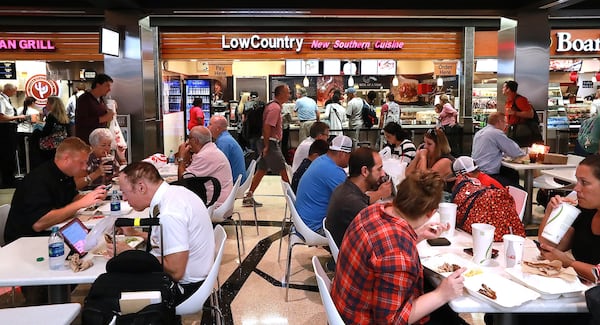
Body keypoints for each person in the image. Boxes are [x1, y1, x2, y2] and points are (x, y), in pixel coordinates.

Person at [330, 170, 466, 324]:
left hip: (344, 309)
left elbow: (382, 252)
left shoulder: (371, 211)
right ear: (431, 213)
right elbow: (392, 321)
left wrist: (418, 235)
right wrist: (442, 294)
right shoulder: (398, 255)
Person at [510, 155, 600, 325]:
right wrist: (552, 212)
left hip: (592, 306)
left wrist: (567, 262)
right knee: (514, 312)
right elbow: (548, 246)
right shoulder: (585, 212)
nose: (577, 188)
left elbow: (598, 273)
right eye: (577, 181)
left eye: (584, 183)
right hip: (577, 293)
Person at [112, 161, 215, 305]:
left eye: (124, 192)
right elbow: (169, 241)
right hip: (198, 278)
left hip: (185, 289)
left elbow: (175, 271)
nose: (123, 198)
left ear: (141, 187)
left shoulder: (169, 212)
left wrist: (131, 255)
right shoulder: (175, 193)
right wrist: (136, 233)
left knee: (112, 287)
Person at [4, 137, 107, 244]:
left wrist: (94, 196)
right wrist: (80, 203)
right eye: (82, 162)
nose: (85, 167)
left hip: (56, 232)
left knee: (97, 241)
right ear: (66, 159)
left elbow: (72, 198)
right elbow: (38, 224)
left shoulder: (65, 175)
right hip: (26, 240)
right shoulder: (39, 179)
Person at [325, 147, 392, 247]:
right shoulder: (351, 202)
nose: (383, 174)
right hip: (349, 257)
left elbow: (365, 200)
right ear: (365, 171)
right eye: (379, 169)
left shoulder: (345, 188)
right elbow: (384, 233)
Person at [243, 85, 291, 207]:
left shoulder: (272, 106)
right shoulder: (275, 108)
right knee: (283, 169)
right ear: (280, 94)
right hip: (270, 142)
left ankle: (249, 195)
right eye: (287, 92)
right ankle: (292, 197)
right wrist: (267, 146)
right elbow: (267, 126)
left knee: (261, 170)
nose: (289, 95)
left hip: (266, 141)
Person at [295, 135, 352, 234]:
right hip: (315, 227)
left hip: (303, 222)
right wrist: (379, 193)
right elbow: (352, 199)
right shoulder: (333, 170)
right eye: (349, 155)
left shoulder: (321, 160)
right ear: (343, 154)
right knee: (358, 227)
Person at [177, 126, 233, 206]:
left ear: (195, 141)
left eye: (189, 139)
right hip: (221, 199)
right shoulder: (211, 150)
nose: (187, 142)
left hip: (215, 204)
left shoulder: (205, 155)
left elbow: (183, 181)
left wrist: (181, 158)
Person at [472, 112, 526, 187]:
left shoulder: (479, 132)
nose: (506, 125)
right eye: (505, 122)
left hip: (477, 171)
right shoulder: (496, 133)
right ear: (500, 122)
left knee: (511, 172)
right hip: (489, 174)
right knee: (518, 189)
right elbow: (515, 152)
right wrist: (527, 152)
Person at [406, 128, 455, 192]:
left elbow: (425, 182)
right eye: (424, 143)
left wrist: (423, 157)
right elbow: (408, 174)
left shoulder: (445, 161)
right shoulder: (429, 157)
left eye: (429, 144)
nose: (425, 147)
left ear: (439, 146)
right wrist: (417, 157)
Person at [75, 73, 115, 144]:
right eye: (107, 86)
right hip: (87, 142)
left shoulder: (101, 100)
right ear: (98, 85)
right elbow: (81, 121)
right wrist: (103, 118)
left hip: (100, 141)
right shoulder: (84, 99)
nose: (109, 89)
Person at [208, 115, 247, 184]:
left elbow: (217, 166)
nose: (208, 127)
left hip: (233, 183)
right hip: (237, 181)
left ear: (217, 128)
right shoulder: (226, 138)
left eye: (210, 124)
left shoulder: (223, 142)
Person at [0, 83, 25, 188]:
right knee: (7, 155)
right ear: (8, 90)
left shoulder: (6, 99)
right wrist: (17, 117)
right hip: (5, 130)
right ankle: (7, 180)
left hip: (10, 129)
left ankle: (10, 178)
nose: (15, 93)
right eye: (14, 91)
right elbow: (1, 117)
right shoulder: (1, 99)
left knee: (11, 154)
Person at [503, 80, 541, 148]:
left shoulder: (520, 100)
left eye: (504, 87)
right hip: (513, 131)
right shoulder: (509, 101)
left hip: (522, 132)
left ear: (508, 89)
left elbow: (530, 114)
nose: (502, 89)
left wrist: (514, 113)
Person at [36, 96, 72, 162]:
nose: (46, 105)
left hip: (51, 146)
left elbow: (46, 132)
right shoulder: (64, 117)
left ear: (52, 105)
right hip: (62, 145)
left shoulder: (51, 116)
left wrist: (37, 131)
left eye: (47, 103)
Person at [16, 96, 41, 172]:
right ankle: (29, 167)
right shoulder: (34, 111)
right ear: (33, 103)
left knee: (21, 150)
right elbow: (34, 122)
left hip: (19, 131)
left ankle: (22, 167)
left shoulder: (19, 109)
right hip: (28, 132)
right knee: (29, 151)